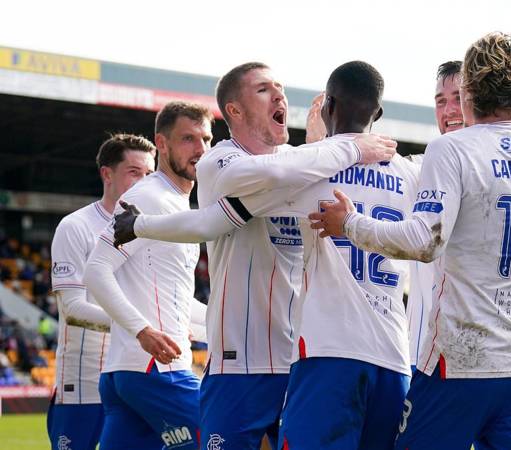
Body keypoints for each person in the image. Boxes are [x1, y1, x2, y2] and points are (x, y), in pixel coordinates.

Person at [311, 32, 511, 449]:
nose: (448, 109)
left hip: (456, 363)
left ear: (472, 89)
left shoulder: (450, 151)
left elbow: (423, 243)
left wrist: (350, 222)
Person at [112, 62, 396, 450]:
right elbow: (254, 189)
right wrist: (346, 146)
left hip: (302, 362)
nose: (279, 95)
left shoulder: (308, 161)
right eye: (264, 89)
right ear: (235, 111)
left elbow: (227, 210)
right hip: (239, 365)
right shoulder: (220, 160)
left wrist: (327, 146)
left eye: (280, 87)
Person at [83, 101, 213, 449]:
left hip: (128, 372)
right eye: (188, 138)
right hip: (155, 370)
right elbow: (96, 270)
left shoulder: (175, 202)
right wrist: (143, 330)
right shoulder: (149, 197)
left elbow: (177, 298)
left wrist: (225, 329)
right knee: (221, 438)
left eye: (206, 139)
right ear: (163, 144)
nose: (200, 149)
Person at [47, 133, 155, 450]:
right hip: (85, 384)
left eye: (150, 175)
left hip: (135, 380)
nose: (144, 183)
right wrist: (140, 327)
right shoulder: (76, 226)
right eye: (134, 172)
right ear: (107, 174)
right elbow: (72, 309)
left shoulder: (152, 228)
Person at [407, 60, 464, 371]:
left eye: (458, 97)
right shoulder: (418, 168)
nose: (449, 110)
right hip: (424, 355)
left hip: (490, 357)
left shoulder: (501, 172)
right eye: (441, 101)